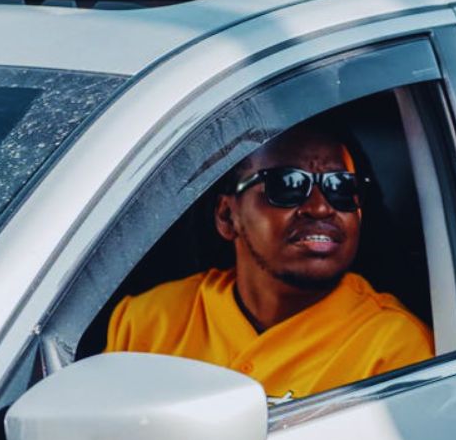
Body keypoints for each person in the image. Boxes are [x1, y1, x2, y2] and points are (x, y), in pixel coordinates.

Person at [106, 118, 434, 401]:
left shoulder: (394, 347)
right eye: (288, 185)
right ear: (226, 216)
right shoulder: (146, 321)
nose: (321, 208)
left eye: (341, 187)